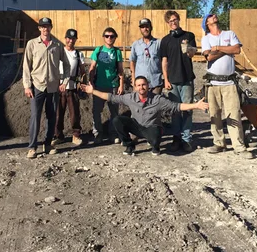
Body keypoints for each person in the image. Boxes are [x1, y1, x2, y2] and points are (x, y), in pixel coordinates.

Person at [82, 76, 208, 156]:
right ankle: (129, 145)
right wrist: (92, 91)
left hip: (151, 128)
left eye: (144, 84)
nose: (141, 87)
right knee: (117, 120)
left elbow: (177, 106)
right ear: (135, 87)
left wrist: (195, 105)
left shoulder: (158, 99)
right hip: (137, 127)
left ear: (148, 86)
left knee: (156, 132)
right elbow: (111, 97)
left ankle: (155, 146)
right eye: (139, 85)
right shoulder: (130, 97)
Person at [201, 13, 253, 158]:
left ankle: (239, 147)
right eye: (210, 16)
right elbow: (209, 56)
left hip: (230, 83)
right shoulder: (206, 39)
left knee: (234, 114)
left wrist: (217, 48)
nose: (214, 16)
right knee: (214, 114)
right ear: (207, 23)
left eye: (214, 15)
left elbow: (237, 50)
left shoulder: (230, 34)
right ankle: (219, 143)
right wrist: (226, 49)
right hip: (213, 83)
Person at [23, 17, 70, 158]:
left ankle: (48, 144)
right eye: (42, 26)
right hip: (37, 86)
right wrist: (27, 85)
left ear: (51, 27)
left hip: (53, 87)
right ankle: (32, 147)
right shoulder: (32, 44)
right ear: (39, 28)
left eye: (47, 26)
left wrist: (64, 82)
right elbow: (26, 66)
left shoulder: (57, 45)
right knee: (35, 117)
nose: (45, 29)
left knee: (51, 116)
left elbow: (67, 64)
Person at [160, 10, 197, 153]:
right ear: (167, 23)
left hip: (186, 79)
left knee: (187, 110)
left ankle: (187, 139)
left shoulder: (189, 35)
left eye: (175, 20)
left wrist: (187, 47)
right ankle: (176, 138)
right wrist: (166, 80)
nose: (173, 22)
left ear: (179, 20)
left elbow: (192, 54)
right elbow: (164, 61)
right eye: (170, 21)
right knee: (174, 111)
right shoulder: (165, 40)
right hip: (172, 81)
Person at [88, 27, 124, 144]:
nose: (109, 38)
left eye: (112, 36)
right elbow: (92, 67)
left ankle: (113, 134)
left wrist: (121, 85)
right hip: (99, 86)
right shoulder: (98, 50)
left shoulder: (117, 52)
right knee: (96, 111)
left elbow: (120, 70)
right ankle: (98, 133)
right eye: (107, 36)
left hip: (112, 86)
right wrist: (90, 81)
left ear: (115, 38)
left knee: (114, 112)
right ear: (104, 37)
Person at [52, 29, 86, 147]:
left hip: (72, 88)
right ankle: (58, 135)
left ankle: (76, 135)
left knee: (74, 113)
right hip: (59, 87)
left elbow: (82, 72)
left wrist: (81, 83)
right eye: (68, 38)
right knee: (58, 113)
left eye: (72, 38)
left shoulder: (78, 54)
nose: (70, 41)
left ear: (76, 39)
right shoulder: (59, 52)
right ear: (65, 38)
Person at [130, 18, 162, 94]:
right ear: (140, 29)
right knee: (139, 105)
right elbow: (132, 61)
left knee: (155, 105)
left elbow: (164, 60)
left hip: (155, 83)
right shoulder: (136, 44)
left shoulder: (158, 43)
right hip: (139, 85)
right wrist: (133, 79)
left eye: (147, 26)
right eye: (142, 27)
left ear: (151, 27)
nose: (145, 29)